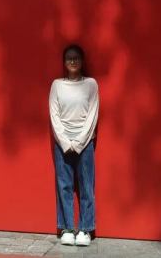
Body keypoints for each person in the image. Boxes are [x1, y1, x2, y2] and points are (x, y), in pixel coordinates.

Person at [48, 44, 99, 246]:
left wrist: (79, 142)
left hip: (85, 143)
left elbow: (93, 114)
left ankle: (85, 229)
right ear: (64, 62)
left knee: (87, 187)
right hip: (62, 143)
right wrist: (64, 141)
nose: (72, 61)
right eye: (69, 58)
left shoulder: (91, 84)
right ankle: (67, 228)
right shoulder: (57, 85)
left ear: (82, 61)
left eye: (76, 57)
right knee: (64, 186)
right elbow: (54, 115)